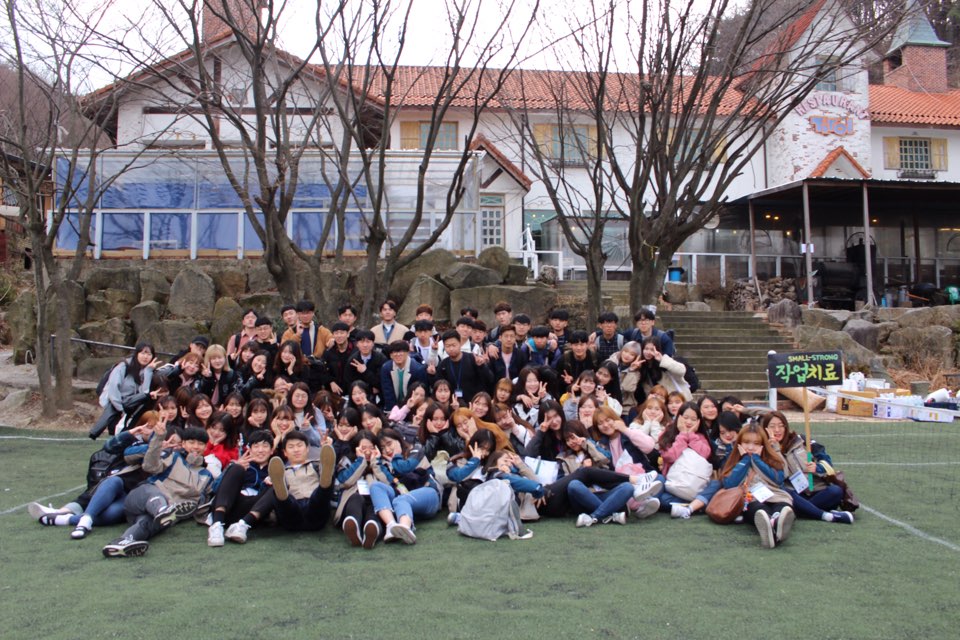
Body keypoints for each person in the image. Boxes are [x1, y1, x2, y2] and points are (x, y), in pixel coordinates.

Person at [101, 425, 214, 558]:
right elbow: (150, 466)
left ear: (205, 447)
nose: (196, 447)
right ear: (183, 444)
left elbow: (202, 503)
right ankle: (162, 510)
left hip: (164, 515)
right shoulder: (173, 456)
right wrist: (158, 438)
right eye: (191, 442)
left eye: (200, 444)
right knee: (155, 497)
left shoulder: (207, 476)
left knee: (147, 523)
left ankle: (123, 542)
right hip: (142, 497)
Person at [762, 411, 853, 524]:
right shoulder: (764, 449)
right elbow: (782, 475)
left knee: (836, 491)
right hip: (794, 494)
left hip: (815, 490)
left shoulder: (801, 440)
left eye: (781, 425)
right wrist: (775, 448)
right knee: (786, 493)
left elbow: (827, 462)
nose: (777, 430)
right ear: (765, 429)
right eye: (772, 426)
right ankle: (825, 515)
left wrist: (817, 468)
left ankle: (802, 510)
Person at [719, 423, 796, 548]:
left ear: (762, 444)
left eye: (756, 443)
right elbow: (729, 484)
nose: (750, 447)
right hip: (751, 497)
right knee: (758, 509)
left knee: (783, 506)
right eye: (746, 442)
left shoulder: (770, 457)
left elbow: (778, 480)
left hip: (774, 494)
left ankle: (776, 521)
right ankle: (771, 523)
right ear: (740, 443)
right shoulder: (734, 459)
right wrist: (745, 459)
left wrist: (757, 460)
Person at [370, 428, 442, 545]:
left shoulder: (416, 449)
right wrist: (376, 461)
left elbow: (405, 468)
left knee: (400, 499)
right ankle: (391, 526)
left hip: (429, 494)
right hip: (404, 500)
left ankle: (405, 528)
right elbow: (389, 482)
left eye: (389, 443)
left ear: (398, 440)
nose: (387, 450)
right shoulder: (386, 461)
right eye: (382, 448)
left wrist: (396, 457)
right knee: (376, 486)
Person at [207, 429, 274, 546]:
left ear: (271, 450)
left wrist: (267, 483)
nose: (260, 450)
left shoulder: (273, 469)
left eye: (265, 446)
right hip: (229, 506)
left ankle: (242, 526)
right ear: (249, 449)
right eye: (256, 446)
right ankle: (216, 525)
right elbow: (216, 488)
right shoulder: (242, 465)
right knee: (236, 468)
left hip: (251, 513)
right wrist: (232, 467)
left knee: (277, 484)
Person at [334, 430, 394, 549]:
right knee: (356, 499)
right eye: (363, 448)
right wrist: (360, 461)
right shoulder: (347, 461)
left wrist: (375, 463)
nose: (367, 451)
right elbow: (344, 482)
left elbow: (388, 482)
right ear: (356, 448)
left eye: (371, 448)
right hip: (352, 501)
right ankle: (353, 526)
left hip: (375, 503)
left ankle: (372, 530)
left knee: (375, 505)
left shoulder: (383, 463)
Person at [90, 343, 162, 439]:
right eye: (143, 353)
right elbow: (113, 390)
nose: (145, 357)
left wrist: (148, 371)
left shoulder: (148, 371)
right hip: (117, 406)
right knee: (115, 434)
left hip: (131, 407)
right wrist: (121, 409)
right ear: (136, 353)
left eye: (149, 354)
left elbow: (144, 393)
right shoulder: (123, 366)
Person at [653, 401, 712, 513]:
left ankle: (691, 506)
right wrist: (683, 435)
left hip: (695, 483)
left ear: (698, 421)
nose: (689, 422)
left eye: (693, 419)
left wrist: (691, 435)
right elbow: (669, 456)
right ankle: (694, 506)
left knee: (715, 484)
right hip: (672, 483)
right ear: (679, 417)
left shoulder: (700, 437)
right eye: (686, 418)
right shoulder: (668, 433)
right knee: (660, 491)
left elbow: (705, 454)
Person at [433, 330, 493, 404]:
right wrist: (431, 375)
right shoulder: (443, 365)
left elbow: (490, 379)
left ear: (460, 343)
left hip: (475, 403)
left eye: (453, 345)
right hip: (454, 404)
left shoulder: (473, 359)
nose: (451, 349)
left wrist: (482, 366)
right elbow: (437, 385)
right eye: (447, 346)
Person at [637, 336, 691, 401]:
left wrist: (661, 360)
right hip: (658, 401)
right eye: (646, 349)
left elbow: (682, 370)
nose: (648, 352)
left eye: (652, 350)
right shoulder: (641, 365)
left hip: (676, 399)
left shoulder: (664, 360)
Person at [381, 339, 428, 412]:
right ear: (391, 355)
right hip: (394, 407)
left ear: (408, 353)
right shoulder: (386, 368)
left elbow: (421, 392)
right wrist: (393, 412)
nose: (398, 354)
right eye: (395, 352)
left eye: (401, 352)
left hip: (413, 406)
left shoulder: (418, 369)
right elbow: (388, 392)